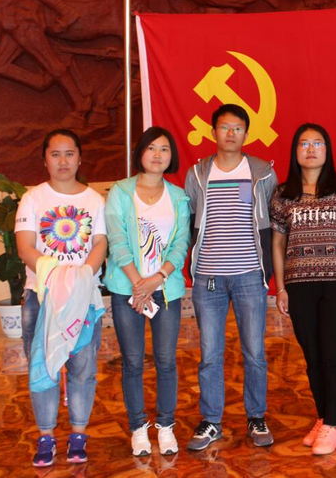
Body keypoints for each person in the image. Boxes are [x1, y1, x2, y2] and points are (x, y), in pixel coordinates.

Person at [185, 103, 278, 450]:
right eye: (224, 127)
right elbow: (191, 218)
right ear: (213, 132)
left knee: (254, 352)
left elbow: (270, 221)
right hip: (208, 278)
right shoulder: (198, 174)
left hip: (249, 275)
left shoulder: (262, 172)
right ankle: (211, 421)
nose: (230, 133)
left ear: (246, 134)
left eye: (237, 128)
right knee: (210, 354)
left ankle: (256, 417)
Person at [16, 129, 107, 467]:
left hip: (83, 298)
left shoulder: (94, 200)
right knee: (43, 367)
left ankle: (78, 435)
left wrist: (81, 278)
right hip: (41, 296)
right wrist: (55, 276)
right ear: (45, 160)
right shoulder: (32, 199)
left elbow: (100, 243)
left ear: (80, 158)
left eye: (69, 153)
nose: (63, 161)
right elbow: (25, 246)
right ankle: (45, 437)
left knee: (82, 367)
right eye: (55, 154)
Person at [270, 123, 336, 455]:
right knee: (312, 358)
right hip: (299, 286)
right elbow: (277, 243)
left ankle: (332, 425)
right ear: (295, 150)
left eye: (318, 143)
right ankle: (323, 418)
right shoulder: (283, 193)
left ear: (327, 149)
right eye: (304, 143)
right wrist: (281, 288)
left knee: (333, 355)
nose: (310, 149)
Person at [104, 127, 191, 457]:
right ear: (140, 152)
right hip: (127, 290)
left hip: (165, 290)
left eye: (164, 149)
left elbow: (181, 243)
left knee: (166, 361)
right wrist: (138, 284)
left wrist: (157, 278)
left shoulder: (178, 196)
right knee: (133, 361)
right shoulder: (120, 192)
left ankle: (165, 426)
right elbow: (117, 240)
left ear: (171, 156)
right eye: (151, 148)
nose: (157, 155)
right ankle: (138, 429)